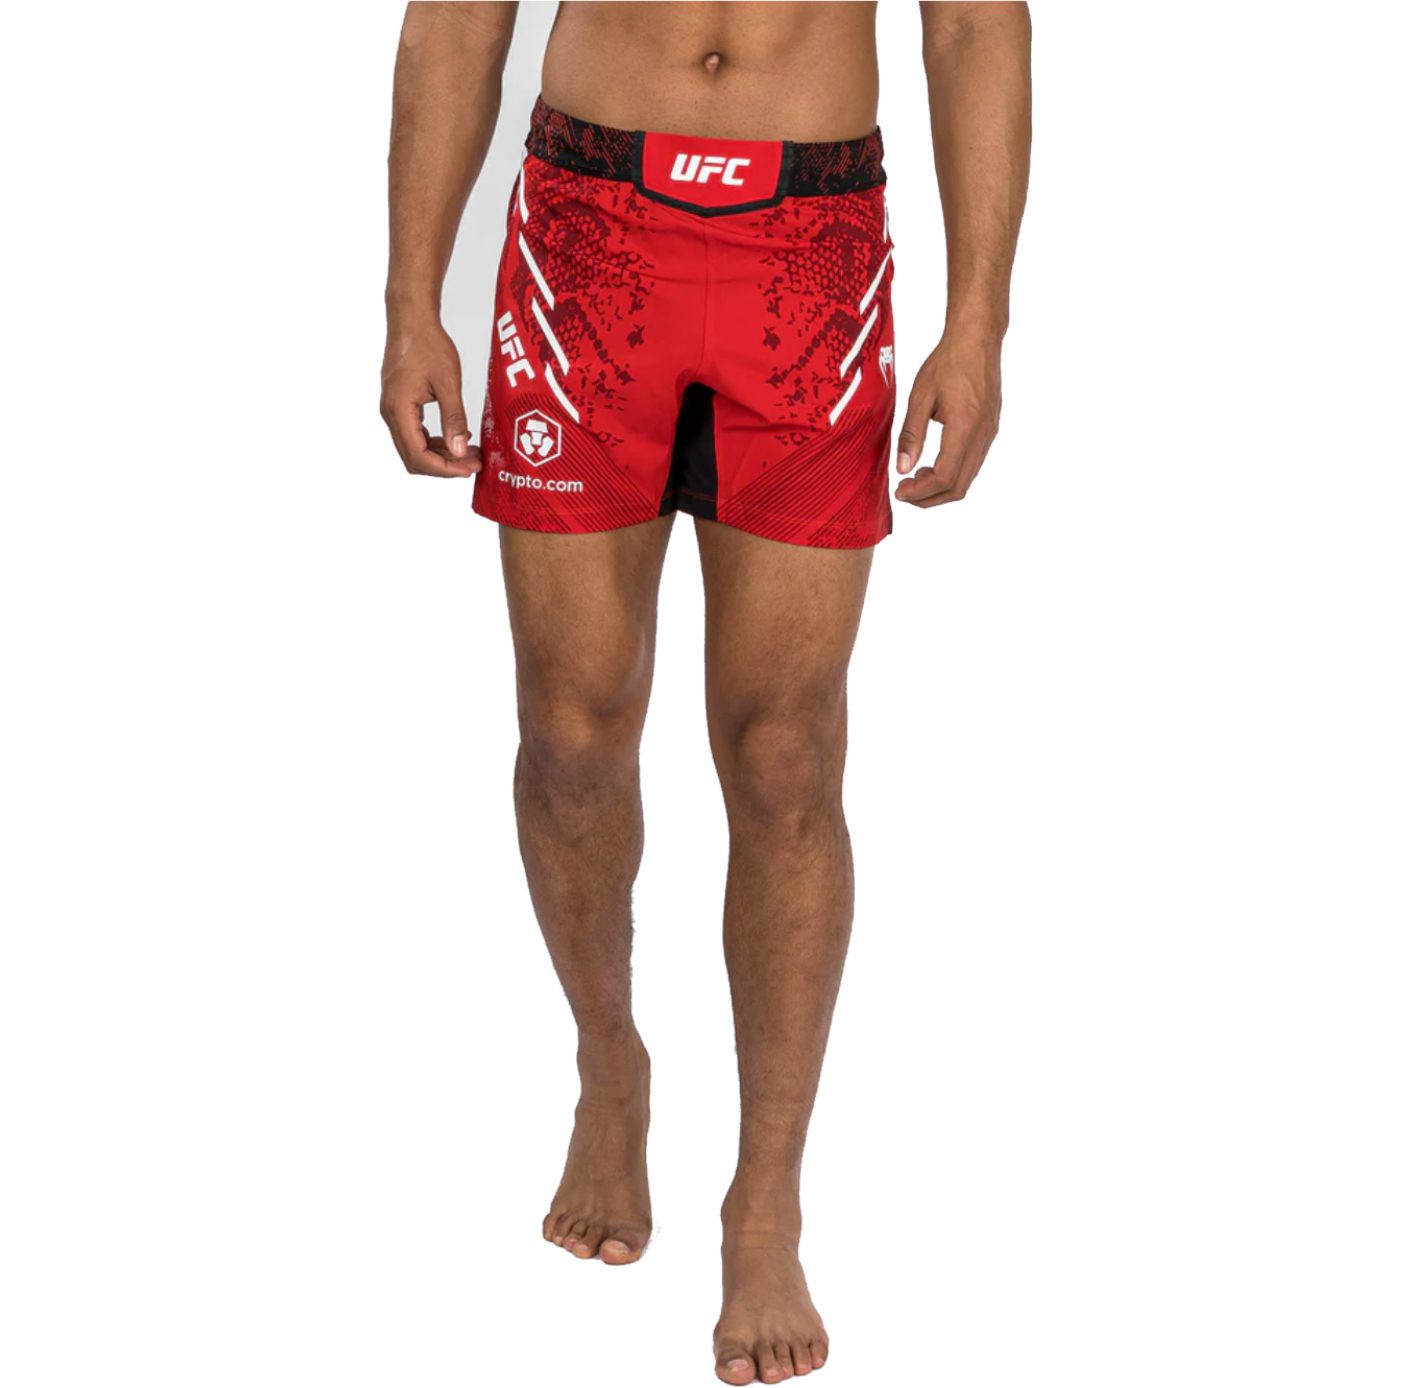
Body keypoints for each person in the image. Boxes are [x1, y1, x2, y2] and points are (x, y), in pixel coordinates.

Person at [381, 3, 1031, 1381]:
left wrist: (978, 323)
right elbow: (457, 19)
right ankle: (610, 1065)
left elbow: (976, 23)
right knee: (570, 730)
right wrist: (408, 302)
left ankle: (766, 1202)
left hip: (809, 246)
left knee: (786, 754)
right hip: (587, 232)